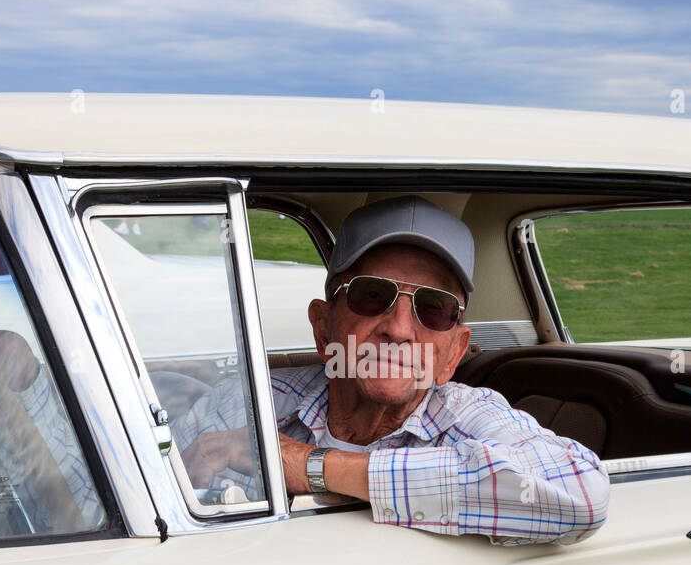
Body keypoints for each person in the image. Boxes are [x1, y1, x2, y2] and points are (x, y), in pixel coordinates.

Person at [174, 195, 610, 546]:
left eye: (433, 309)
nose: (399, 329)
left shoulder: (464, 415)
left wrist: (308, 466)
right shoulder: (250, 403)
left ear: (453, 354)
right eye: (371, 295)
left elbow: (580, 492)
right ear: (323, 326)